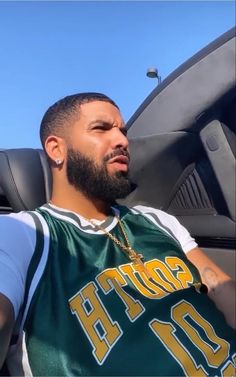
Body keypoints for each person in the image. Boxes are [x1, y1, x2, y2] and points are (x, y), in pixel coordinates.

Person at [0, 92, 235, 376]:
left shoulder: (156, 220)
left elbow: (223, 290)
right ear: (56, 149)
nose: (123, 141)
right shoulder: (22, 234)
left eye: (122, 131)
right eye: (101, 129)